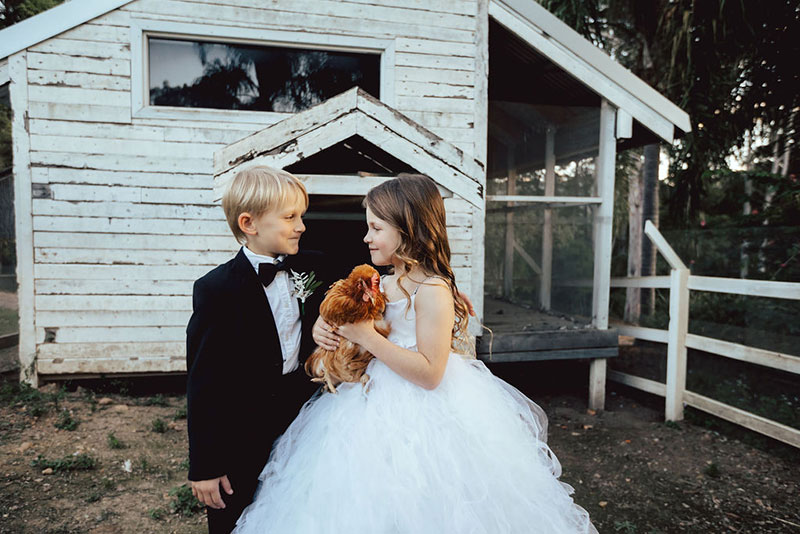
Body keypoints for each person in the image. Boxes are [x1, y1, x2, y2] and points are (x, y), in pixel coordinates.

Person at [232, 174, 598, 533]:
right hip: (365, 403)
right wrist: (332, 327)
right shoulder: (383, 282)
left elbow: (429, 373)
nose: (366, 237)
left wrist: (369, 338)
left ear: (406, 231)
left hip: (425, 410)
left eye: (376, 228)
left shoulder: (432, 289)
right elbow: (360, 321)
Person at [185, 166, 326, 534]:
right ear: (249, 223)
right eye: (290, 217)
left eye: (301, 216)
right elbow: (204, 384)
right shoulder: (216, 290)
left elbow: (375, 279)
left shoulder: (312, 266)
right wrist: (205, 468)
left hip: (302, 419)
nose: (301, 226)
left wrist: (436, 289)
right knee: (236, 517)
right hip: (240, 433)